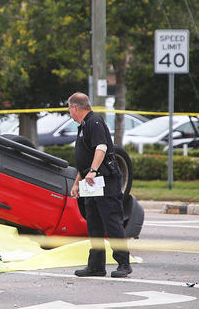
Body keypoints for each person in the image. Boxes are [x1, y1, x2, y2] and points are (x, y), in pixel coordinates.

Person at [68, 92, 132, 278]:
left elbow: (101, 148)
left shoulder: (94, 122)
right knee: (93, 223)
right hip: (91, 181)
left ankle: (123, 263)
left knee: (111, 222)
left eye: (69, 109)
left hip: (104, 180)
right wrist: (77, 183)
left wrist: (94, 171)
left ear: (75, 107)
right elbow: (85, 158)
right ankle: (96, 266)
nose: (69, 113)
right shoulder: (84, 125)